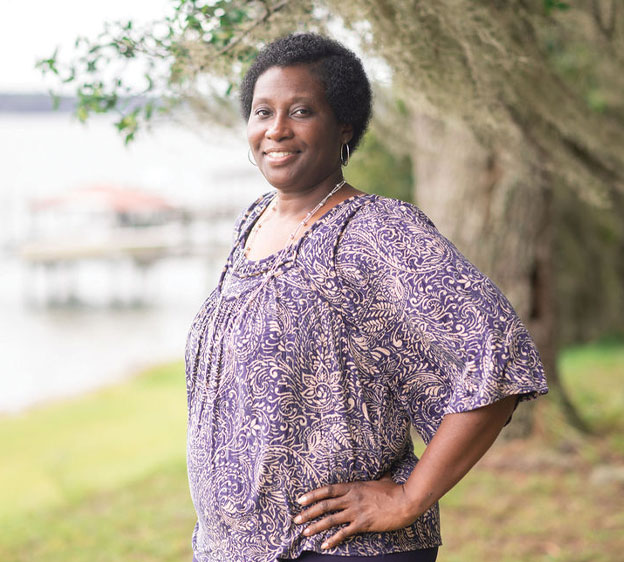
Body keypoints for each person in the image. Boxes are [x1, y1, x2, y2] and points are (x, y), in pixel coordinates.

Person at [185, 33, 549, 562]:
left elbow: (497, 352)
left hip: (335, 549)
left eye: (302, 111)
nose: (276, 129)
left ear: (344, 127)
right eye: (263, 111)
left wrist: (409, 497)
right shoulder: (255, 220)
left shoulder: (377, 230)